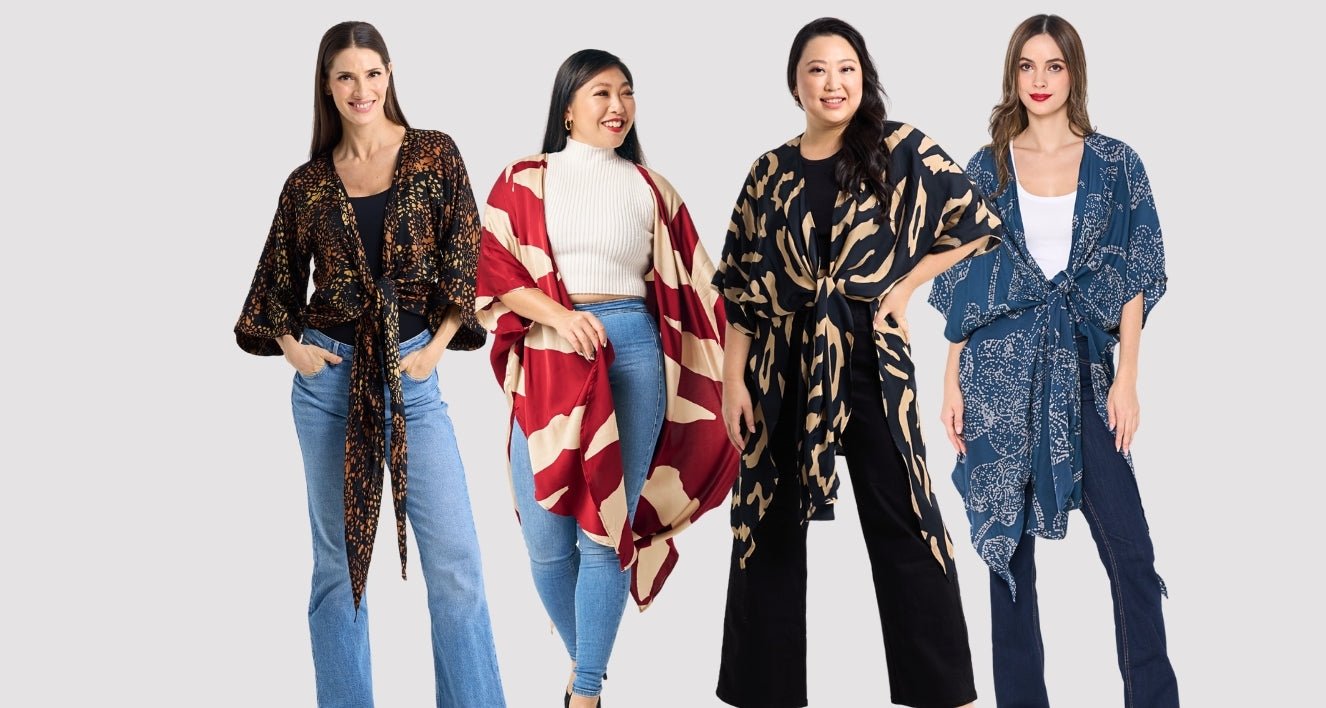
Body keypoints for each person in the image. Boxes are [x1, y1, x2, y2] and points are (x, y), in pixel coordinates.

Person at [712, 17, 1000, 708]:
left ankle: (942, 692)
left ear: (862, 76)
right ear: (795, 83)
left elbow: (977, 222)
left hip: (871, 355)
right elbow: (740, 289)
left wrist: (904, 286)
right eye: (816, 69)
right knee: (767, 523)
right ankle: (762, 691)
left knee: (903, 515)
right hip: (782, 364)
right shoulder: (768, 172)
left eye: (845, 68)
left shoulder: (899, 149)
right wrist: (731, 381)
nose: (832, 82)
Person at [232, 20, 505, 708]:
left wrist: (435, 350)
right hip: (330, 389)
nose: (362, 88)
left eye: (373, 73)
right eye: (346, 76)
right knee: (338, 570)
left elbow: (464, 259)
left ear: (390, 75)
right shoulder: (308, 184)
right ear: (327, 86)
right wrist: (296, 351)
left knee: (458, 570)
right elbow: (275, 284)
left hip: (413, 377)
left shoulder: (433, 154)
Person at [473, 49, 738, 708]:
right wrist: (559, 317)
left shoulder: (651, 188)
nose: (617, 105)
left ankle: (585, 691)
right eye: (600, 92)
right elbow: (491, 269)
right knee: (543, 536)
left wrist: (744, 372)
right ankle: (582, 661)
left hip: (633, 353)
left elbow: (705, 293)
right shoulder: (522, 179)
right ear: (567, 107)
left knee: (603, 529)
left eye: (626, 92)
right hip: (549, 350)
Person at [927, 14, 1178, 707]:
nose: (1039, 81)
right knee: (1005, 552)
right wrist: (949, 379)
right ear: (1013, 76)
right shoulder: (986, 167)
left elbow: (1135, 267)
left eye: (1053, 66)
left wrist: (1127, 378)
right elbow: (963, 279)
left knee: (1129, 550)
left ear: (1074, 73)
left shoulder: (1116, 163)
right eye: (1026, 67)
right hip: (998, 375)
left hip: (1084, 372)